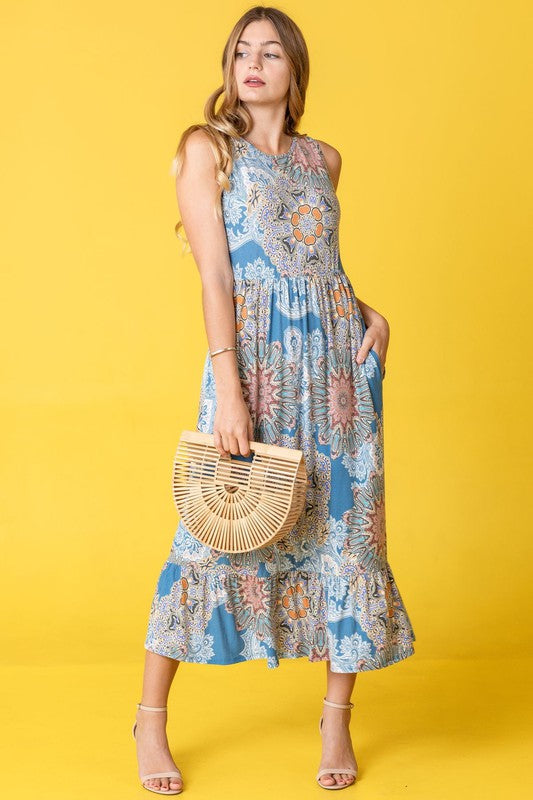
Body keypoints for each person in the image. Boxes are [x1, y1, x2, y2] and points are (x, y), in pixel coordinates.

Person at [132, 5, 416, 795]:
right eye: (239, 52)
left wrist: (371, 315)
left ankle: (335, 716)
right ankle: (149, 722)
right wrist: (228, 387)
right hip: (254, 365)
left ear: (294, 72)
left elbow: (321, 264)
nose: (251, 64)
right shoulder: (206, 150)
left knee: (346, 537)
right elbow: (217, 276)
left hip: (335, 375)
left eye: (269, 53)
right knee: (215, 536)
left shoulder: (323, 159)